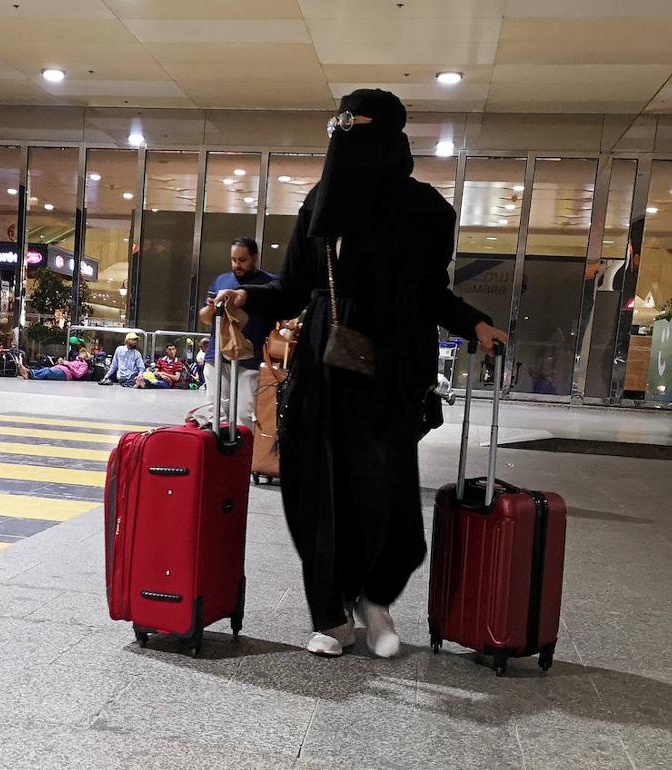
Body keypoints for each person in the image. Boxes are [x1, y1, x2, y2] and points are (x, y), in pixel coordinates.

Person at [215, 89, 507, 659]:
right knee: (314, 485)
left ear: (389, 136)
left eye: (354, 125)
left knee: (381, 488)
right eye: (336, 124)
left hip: (391, 362)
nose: (342, 136)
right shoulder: (322, 202)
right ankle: (330, 613)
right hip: (325, 361)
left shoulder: (426, 210)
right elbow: (293, 287)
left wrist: (475, 325)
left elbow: (430, 293)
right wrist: (243, 300)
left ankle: (375, 598)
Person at [198, 237, 277, 419]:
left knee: (245, 414)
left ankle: (244, 448)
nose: (237, 265)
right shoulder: (221, 280)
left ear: (255, 258)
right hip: (217, 355)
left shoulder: (270, 284)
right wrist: (211, 308)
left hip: (251, 358)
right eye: (234, 260)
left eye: (242, 260)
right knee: (216, 415)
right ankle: (218, 447)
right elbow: (205, 318)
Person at [20, 349, 90, 381]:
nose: (80, 354)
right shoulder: (75, 361)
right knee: (45, 369)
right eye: (80, 353)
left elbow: (78, 374)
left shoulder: (84, 365)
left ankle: (29, 373)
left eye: (83, 353)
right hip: (61, 369)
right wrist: (61, 362)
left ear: (86, 356)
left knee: (47, 371)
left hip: (66, 374)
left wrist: (68, 365)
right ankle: (29, 373)